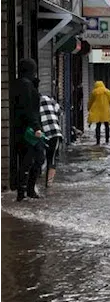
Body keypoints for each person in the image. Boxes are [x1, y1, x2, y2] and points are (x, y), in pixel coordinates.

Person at [13, 58, 43, 201]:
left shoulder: (22, 83)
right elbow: (29, 108)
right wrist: (36, 127)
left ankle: (25, 190)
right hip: (28, 131)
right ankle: (25, 191)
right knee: (34, 159)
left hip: (21, 129)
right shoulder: (25, 85)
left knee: (29, 160)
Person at [39, 90, 63, 190]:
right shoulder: (51, 100)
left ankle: (36, 179)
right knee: (51, 158)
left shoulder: (34, 102)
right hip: (54, 132)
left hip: (41, 133)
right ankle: (49, 184)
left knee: (39, 157)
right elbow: (60, 112)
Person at [88, 80, 110, 145]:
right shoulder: (107, 91)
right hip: (105, 111)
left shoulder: (94, 92)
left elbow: (90, 101)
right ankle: (107, 140)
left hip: (97, 111)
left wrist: (88, 108)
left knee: (98, 126)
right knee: (106, 125)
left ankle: (98, 141)